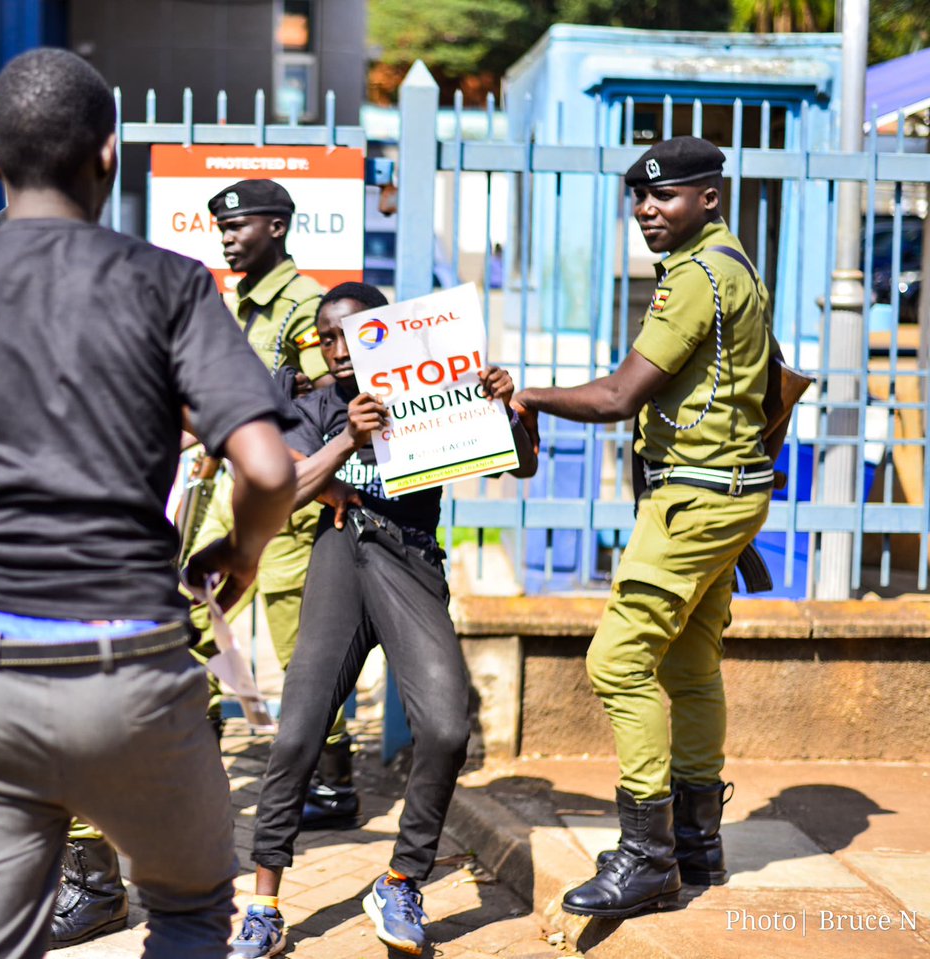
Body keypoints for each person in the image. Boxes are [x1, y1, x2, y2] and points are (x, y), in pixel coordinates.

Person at [0, 47, 297, 959]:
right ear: (109, 156)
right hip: (132, 673)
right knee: (185, 906)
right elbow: (268, 468)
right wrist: (238, 558)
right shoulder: (171, 287)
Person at [229, 282, 538, 958]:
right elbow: (284, 490)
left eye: (351, 333)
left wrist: (507, 409)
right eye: (325, 337)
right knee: (299, 733)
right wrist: (348, 439)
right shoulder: (312, 406)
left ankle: (401, 879)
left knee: (448, 725)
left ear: (383, 333)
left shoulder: (440, 386)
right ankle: (265, 904)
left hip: (410, 560)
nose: (338, 349)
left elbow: (522, 463)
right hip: (340, 556)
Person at [511, 136, 775, 919]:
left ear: (710, 198)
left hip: (695, 497)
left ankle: (649, 856)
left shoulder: (698, 276)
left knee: (619, 659)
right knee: (690, 667)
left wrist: (527, 393)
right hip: (727, 489)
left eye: (665, 196)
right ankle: (698, 844)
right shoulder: (734, 266)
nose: (647, 210)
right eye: (639, 198)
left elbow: (621, 395)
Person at [189, 179, 357, 822]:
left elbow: (328, 406)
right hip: (227, 497)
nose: (228, 238)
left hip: (287, 506)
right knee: (194, 626)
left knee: (299, 651)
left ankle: (333, 783)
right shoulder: (243, 307)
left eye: (240, 227)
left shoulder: (304, 306)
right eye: (222, 229)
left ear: (278, 228)